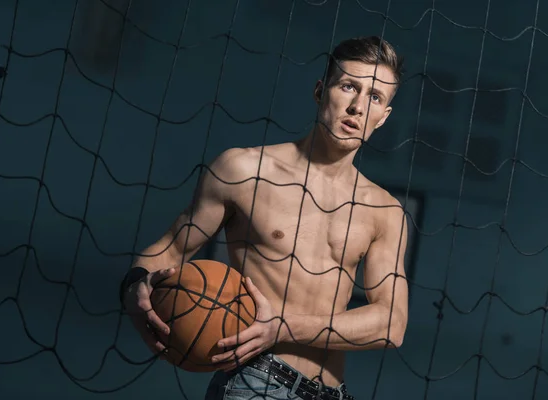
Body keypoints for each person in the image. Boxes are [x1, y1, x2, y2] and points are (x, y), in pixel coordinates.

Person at [121, 36, 409, 400]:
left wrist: (284, 326)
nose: (356, 107)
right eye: (348, 86)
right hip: (256, 383)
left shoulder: (384, 210)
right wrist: (134, 287)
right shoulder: (245, 171)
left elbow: (391, 324)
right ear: (321, 91)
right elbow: (170, 248)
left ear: (382, 118)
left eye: (374, 97)